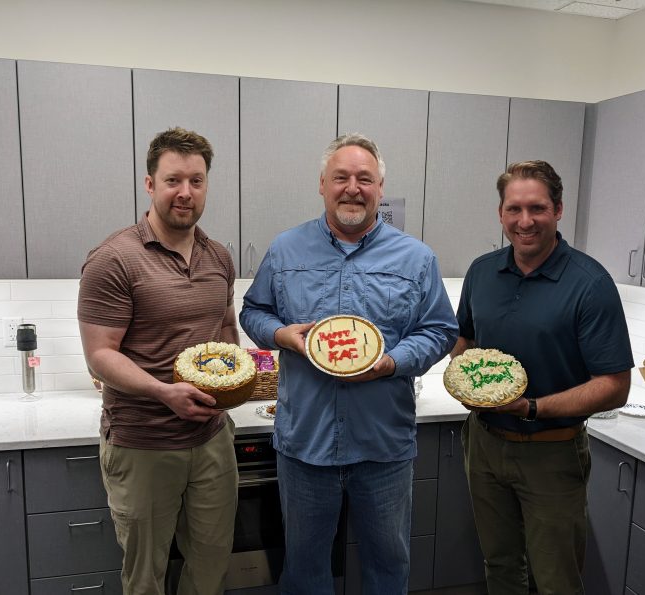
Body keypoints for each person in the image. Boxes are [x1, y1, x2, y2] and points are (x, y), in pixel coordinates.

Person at [240, 133, 457, 595]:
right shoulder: (285, 250)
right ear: (323, 184)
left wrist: (393, 361)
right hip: (305, 444)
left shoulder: (416, 259)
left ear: (380, 188)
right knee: (304, 571)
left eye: (365, 178)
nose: (352, 188)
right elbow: (253, 311)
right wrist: (281, 335)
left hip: (383, 446)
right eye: (341, 177)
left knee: (386, 569)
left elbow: (440, 330)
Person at [452, 160, 633, 595]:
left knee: (556, 580)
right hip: (485, 444)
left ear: (558, 210)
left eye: (537, 208)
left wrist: (532, 407)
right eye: (514, 209)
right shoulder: (482, 272)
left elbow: (615, 386)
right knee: (500, 565)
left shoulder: (590, 283)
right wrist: (456, 375)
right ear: (500, 214)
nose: (525, 221)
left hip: (552, 453)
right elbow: (464, 341)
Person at [77, 127, 239, 595]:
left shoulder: (219, 257)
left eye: (196, 181)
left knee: (210, 566)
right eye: (173, 180)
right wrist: (163, 392)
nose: (184, 193)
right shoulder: (114, 259)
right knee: (145, 577)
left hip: (211, 437)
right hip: (143, 442)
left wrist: (242, 376)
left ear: (206, 185)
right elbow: (100, 354)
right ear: (150, 185)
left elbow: (226, 328)